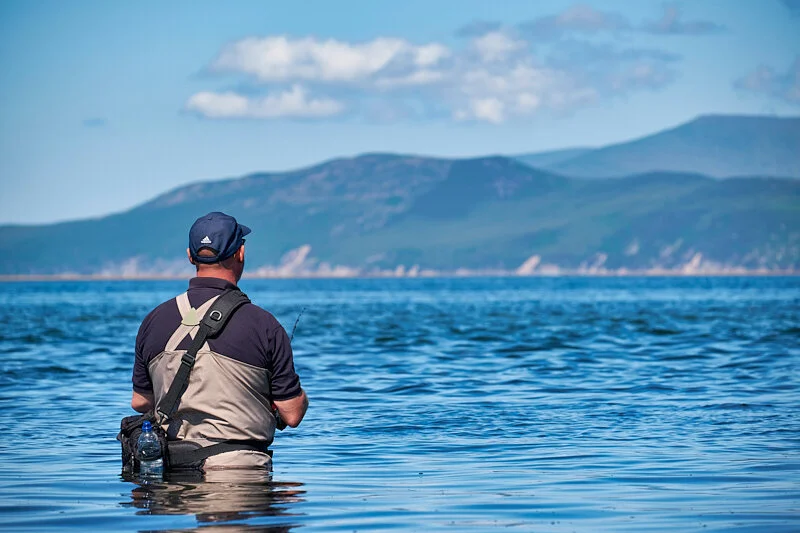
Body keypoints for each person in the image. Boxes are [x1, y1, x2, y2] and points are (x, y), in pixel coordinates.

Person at [130, 211, 308, 470]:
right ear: (240, 253)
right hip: (241, 472)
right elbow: (291, 415)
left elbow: (140, 402)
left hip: (172, 471)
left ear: (190, 256)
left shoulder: (152, 321)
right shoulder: (264, 325)